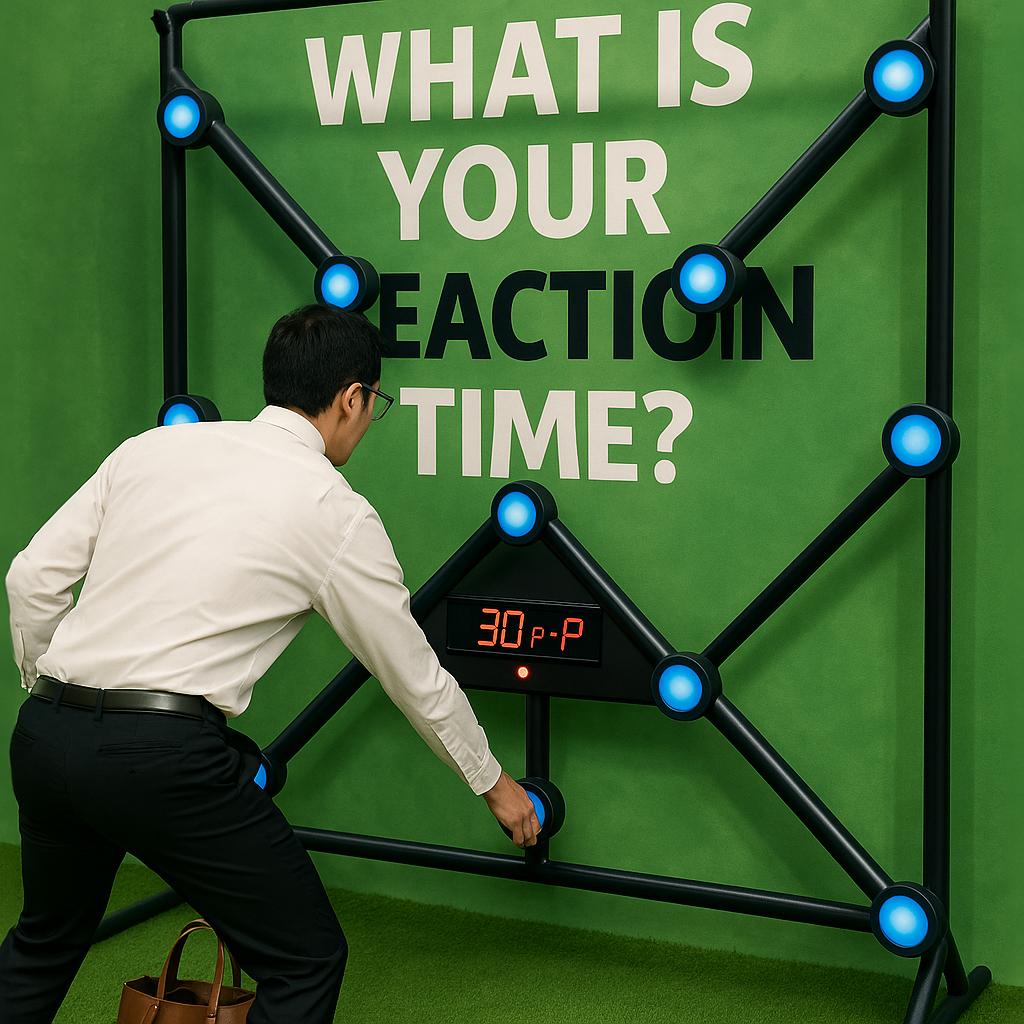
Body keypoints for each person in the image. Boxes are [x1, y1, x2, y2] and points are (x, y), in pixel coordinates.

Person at [1, 303, 540, 1024]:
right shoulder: (333, 508)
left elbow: (30, 581)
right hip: (162, 760)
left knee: (43, 942)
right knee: (305, 960)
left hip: (45, 739)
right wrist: (497, 786)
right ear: (352, 397)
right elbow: (412, 675)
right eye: (373, 404)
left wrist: (53, 694)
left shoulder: (150, 449)